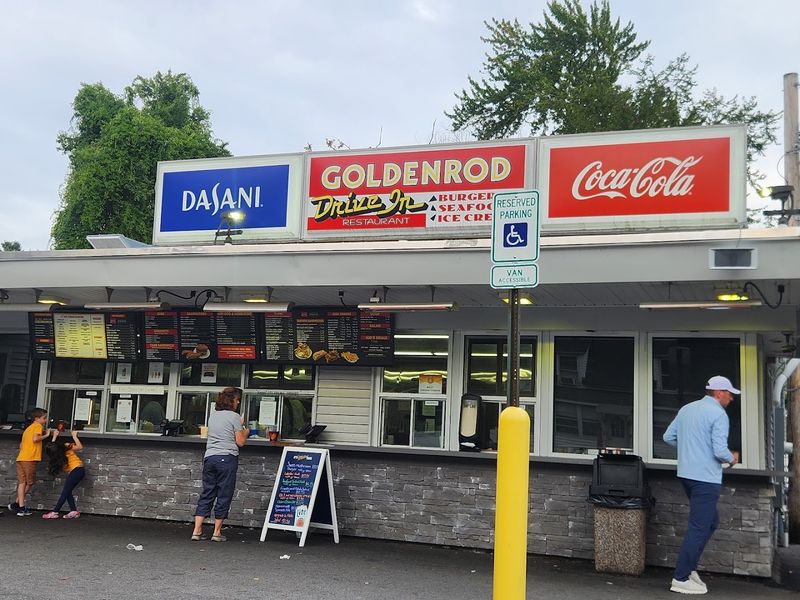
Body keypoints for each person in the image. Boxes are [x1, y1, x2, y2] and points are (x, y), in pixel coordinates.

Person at [663, 375, 740, 595]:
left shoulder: (687, 409)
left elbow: (668, 437)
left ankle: (689, 568)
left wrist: (690, 449)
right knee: (699, 526)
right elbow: (719, 451)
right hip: (705, 478)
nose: (731, 399)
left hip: (687, 475)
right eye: (729, 394)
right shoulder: (718, 414)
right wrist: (732, 458)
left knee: (711, 522)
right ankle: (681, 577)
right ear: (718, 393)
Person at [191, 387, 248, 542]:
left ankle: (196, 530)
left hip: (210, 457)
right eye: (237, 400)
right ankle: (216, 532)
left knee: (207, 492)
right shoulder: (234, 417)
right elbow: (240, 442)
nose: (238, 402)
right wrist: (245, 429)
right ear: (232, 401)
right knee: (224, 493)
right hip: (227, 458)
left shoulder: (213, 416)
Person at [8, 408, 51, 516]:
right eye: (44, 418)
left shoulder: (28, 429)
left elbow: (21, 445)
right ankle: (19, 505)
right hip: (30, 458)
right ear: (37, 419)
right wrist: (47, 435)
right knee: (30, 482)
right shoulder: (37, 426)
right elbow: (36, 439)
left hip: (21, 458)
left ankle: (19, 506)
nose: (45, 420)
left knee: (22, 483)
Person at [42, 430, 85, 519]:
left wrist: (74, 436)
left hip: (76, 470)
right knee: (67, 491)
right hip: (78, 470)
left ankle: (55, 512)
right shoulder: (61, 449)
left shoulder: (62, 450)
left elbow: (80, 447)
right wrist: (55, 436)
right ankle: (73, 511)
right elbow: (53, 447)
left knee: (65, 492)